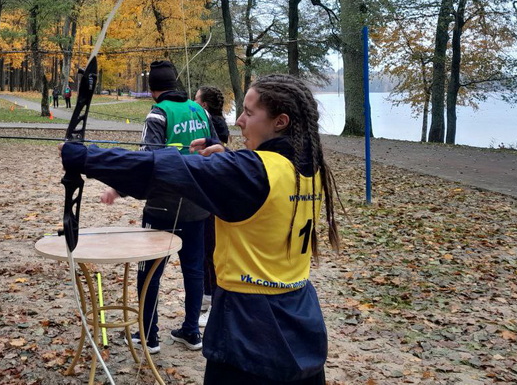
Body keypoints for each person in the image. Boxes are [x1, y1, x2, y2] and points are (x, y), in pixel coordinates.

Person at [61, 73, 340, 384]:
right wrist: (228, 158)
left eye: (249, 113)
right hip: (300, 319)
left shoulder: (250, 172)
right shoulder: (308, 165)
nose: (239, 122)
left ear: (280, 122)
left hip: (249, 326)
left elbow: (160, 169)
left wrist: (87, 157)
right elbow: (263, 183)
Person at [101, 60, 216, 353]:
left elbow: (147, 164)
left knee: (149, 271)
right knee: (194, 270)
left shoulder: (158, 113)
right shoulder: (200, 110)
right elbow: (215, 150)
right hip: (199, 204)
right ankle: (192, 332)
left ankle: (147, 335)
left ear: (153, 90)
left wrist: (118, 189)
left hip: (162, 208)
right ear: (175, 85)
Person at [193, 86, 230, 327]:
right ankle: (207, 297)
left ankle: (214, 302)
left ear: (204, 105)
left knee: (211, 250)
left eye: (195, 100)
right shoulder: (215, 122)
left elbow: (218, 155)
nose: (192, 103)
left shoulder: (213, 125)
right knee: (207, 250)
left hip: (213, 194)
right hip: (210, 191)